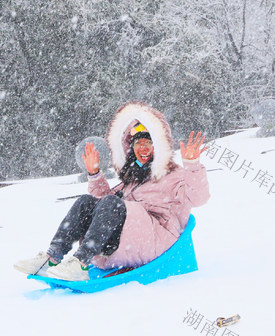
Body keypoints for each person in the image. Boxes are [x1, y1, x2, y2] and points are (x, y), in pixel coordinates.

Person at [15, 102, 210, 281]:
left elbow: (199, 198)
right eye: (138, 143)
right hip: (126, 241)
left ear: (158, 147)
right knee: (86, 201)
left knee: (113, 203)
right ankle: (51, 257)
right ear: (131, 147)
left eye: (149, 143)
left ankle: (81, 262)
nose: (143, 148)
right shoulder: (132, 178)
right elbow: (103, 207)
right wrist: (94, 174)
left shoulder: (174, 175)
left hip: (158, 240)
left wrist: (192, 166)